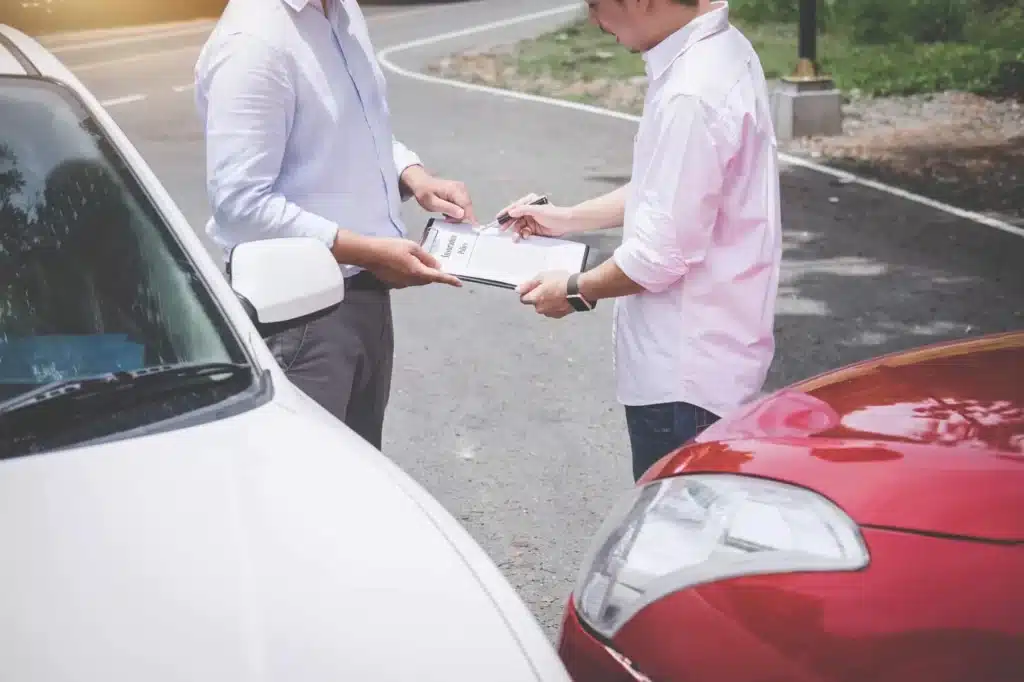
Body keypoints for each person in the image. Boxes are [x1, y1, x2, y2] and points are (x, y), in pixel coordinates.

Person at [502, 0, 782, 481]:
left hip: (684, 380)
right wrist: (567, 218)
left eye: (596, 3)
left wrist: (574, 289)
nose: (593, 19)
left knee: (677, 541)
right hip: (716, 360)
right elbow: (671, 189)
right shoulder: (724, 51)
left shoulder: (691, 92)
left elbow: (660, 253)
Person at [194, 0, 476, 449]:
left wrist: (414, 177)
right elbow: (240, 204)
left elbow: (359, 128)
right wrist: (366, 250)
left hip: (365, 295)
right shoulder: (252, 42)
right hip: (300, 317)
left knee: (360, 479)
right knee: (307, 493)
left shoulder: (340, 11)